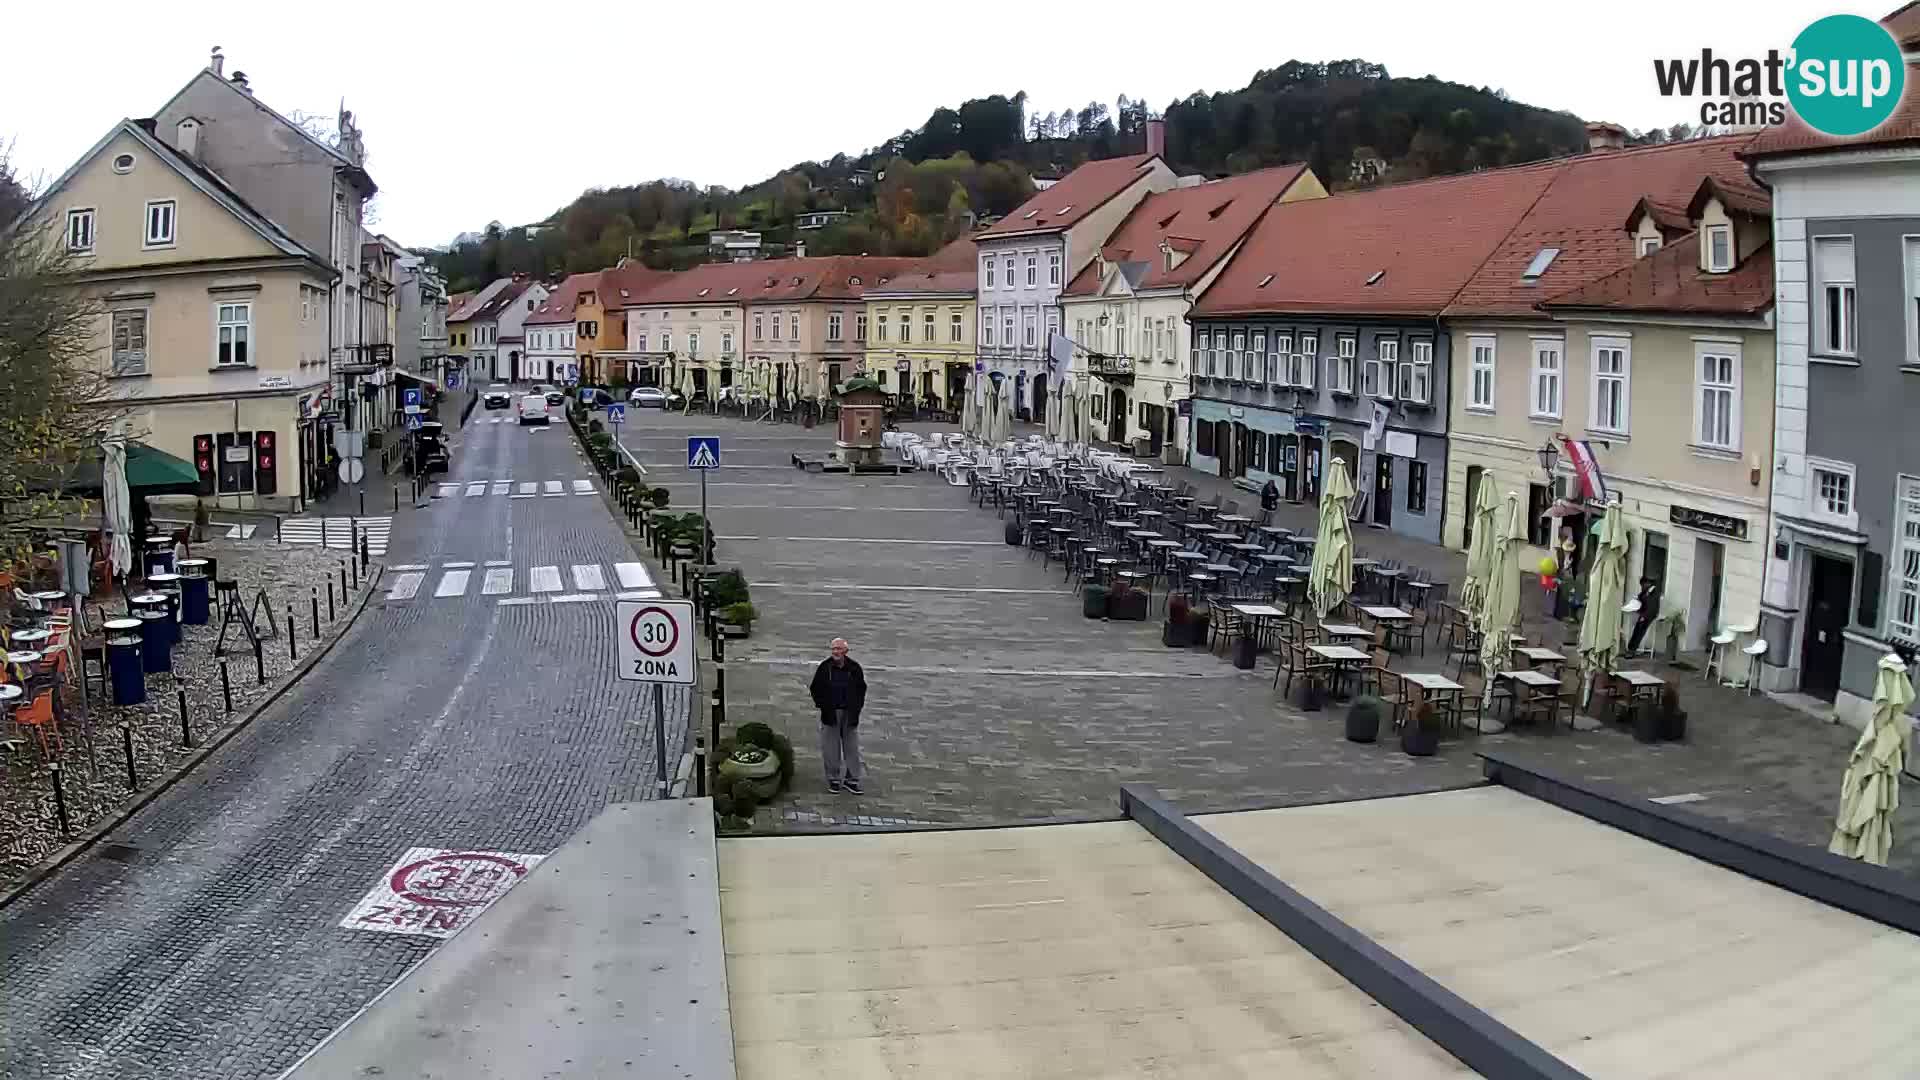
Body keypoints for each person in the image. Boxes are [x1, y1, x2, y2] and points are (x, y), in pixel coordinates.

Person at [808, 638, 868, 793]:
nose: (835, 652)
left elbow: (861, 689)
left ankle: (852, 779)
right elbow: (815, 688)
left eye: (839, 649)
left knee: (852, 747)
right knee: (830, 748)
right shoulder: (824, 667)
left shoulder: (854, 668)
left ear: (845, 651)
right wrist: (822, 705)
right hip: (831, 712)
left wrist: (857, 708)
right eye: (833, 649)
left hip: (850, 713)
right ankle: (833, 778)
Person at [1626, 576, 1662, 655]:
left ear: (1647, 583)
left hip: (1649, 614)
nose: (1642, 586)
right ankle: (1631, 648)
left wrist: (1643, 616)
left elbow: (1652, 607)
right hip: (1644, 612)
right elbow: (1641, 596)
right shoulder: (1647, 590)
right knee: (1636, 629)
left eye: (1643, 585)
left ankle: (1632, 650)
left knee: (1640, 629)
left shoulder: (1653, 591)